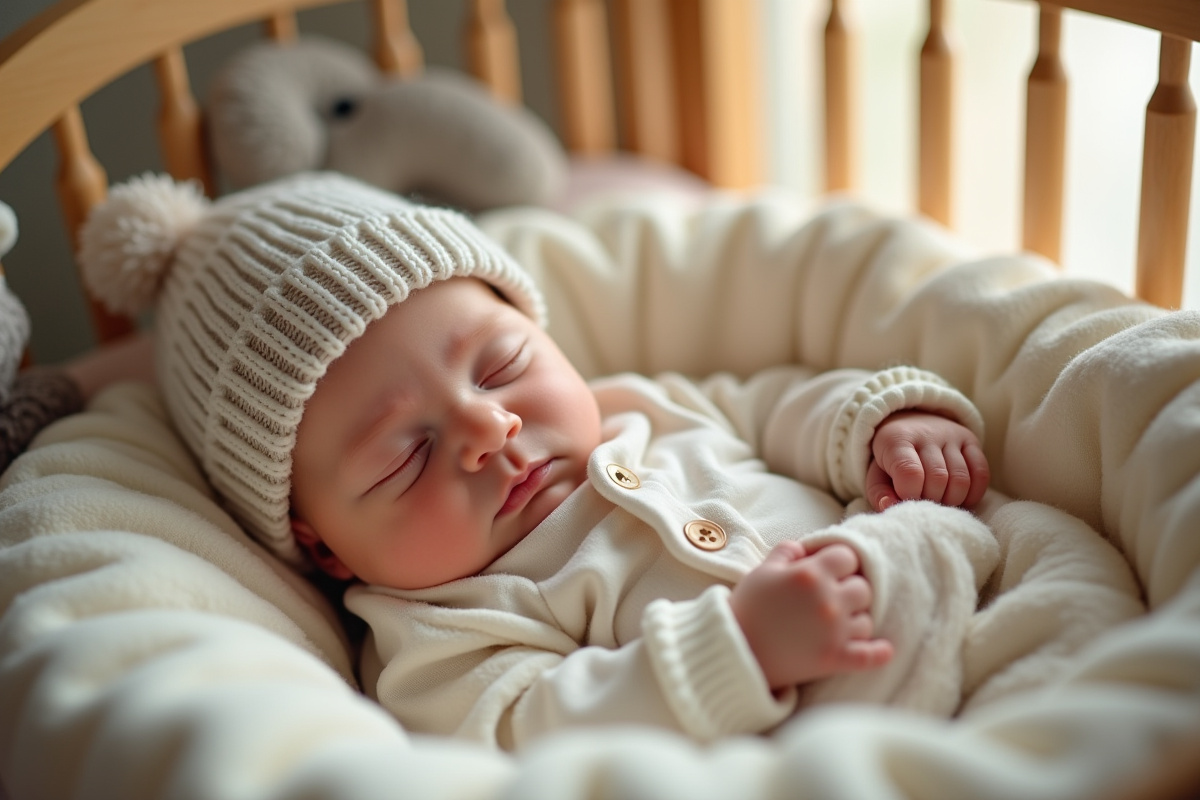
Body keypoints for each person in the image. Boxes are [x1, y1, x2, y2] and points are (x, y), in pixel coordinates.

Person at [78, 171, 991, 752]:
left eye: (504, 365)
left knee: (1065, 570)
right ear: (327, 551)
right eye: (405, 460)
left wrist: (881, 423)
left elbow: (775, 405)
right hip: (826, 742)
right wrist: (739, 650)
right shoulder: (437, 637)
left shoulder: (636, 408)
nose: (488, 428)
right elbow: (536, 732)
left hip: (955, 575)